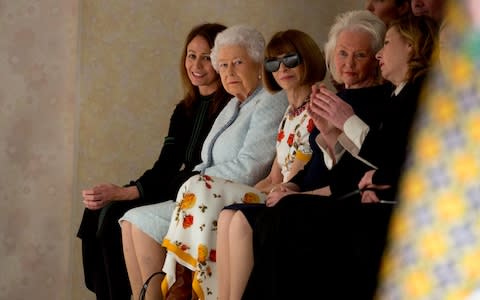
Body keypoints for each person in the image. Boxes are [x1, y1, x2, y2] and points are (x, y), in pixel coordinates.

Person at [242, 14, 439, 300]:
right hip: (366, 198)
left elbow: (401, 159)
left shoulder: (419, 93)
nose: (380, 54)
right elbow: (364, 165)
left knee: (286, 215)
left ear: (410, 47)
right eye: (343, 53)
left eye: (384, 45)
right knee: (276, 215)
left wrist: (347, 123)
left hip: (391, 208)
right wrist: (332, 137)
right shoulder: (399, 93)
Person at [216, 10, 388, 300]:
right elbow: (312, 164)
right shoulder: (335, 98)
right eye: (343, 53)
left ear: (377, 58)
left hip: (334, 200)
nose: (348, 63)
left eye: (359, 55)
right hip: (308, 192)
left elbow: (349, 174)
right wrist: (292, 185)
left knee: (260, 218)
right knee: (230, 214)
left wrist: (297, 193)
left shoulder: (376, 101)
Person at [120, 24, 289, 300]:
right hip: (205, 192)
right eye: (222, 65)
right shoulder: (234, 103)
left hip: (238, 192)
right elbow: (205, 159)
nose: (229, 72)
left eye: (237, 63)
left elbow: (252, 166)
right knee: (131, 220)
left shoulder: (271, 99)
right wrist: (192, 180)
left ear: (259, 63)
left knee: (141, 220)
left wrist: (190, 181)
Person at [76, 23, 230, 300]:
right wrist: (125, 190)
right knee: (99, 210)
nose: (196, 65)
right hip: (171, 181)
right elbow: (165, 164)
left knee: (114, 215)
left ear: (222, 60)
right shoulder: (183, 111)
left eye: (206, 57)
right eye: (191, 55)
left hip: (195, 188)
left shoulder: (231, 107)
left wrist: (129, 191)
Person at [209, 29, 327, 300]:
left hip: (300, 197)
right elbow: (273, 174)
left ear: (307, 59)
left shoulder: (317, 105)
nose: (281, 68)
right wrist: (235, 193)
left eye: (290, 60)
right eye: (273, 63)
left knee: (234, 216)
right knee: (225, 212)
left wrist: (243, 195)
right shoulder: (289, 111)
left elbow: (292, 177)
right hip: (279, 190)